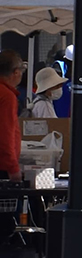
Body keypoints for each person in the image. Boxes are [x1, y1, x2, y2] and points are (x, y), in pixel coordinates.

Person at [0, 50, 25, 179]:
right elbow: (5, 133)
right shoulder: (7, 97)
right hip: (2, 167)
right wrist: (13, 168)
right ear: (16, 72)